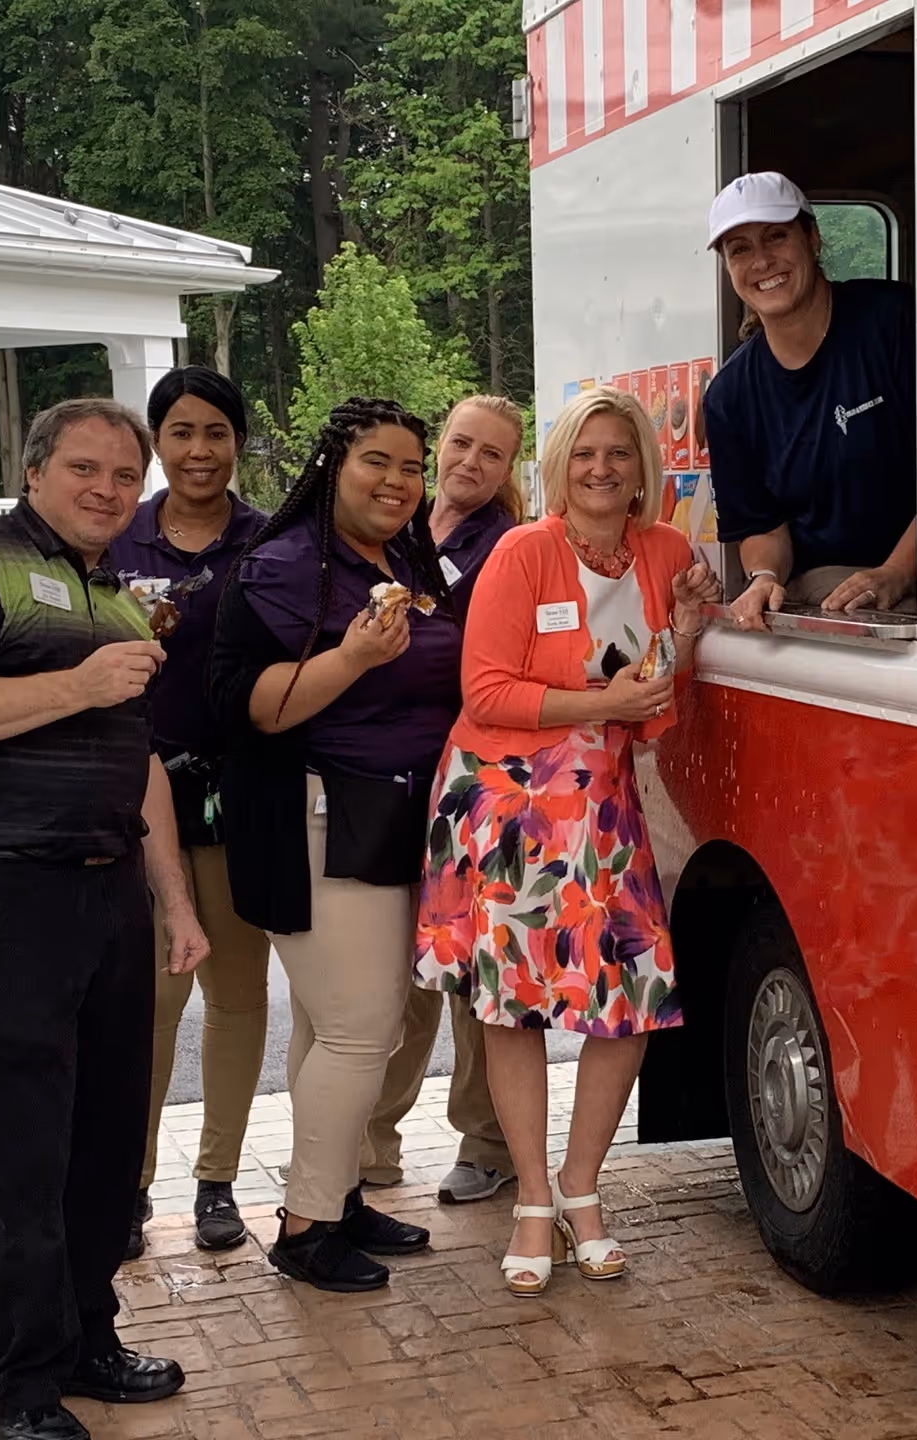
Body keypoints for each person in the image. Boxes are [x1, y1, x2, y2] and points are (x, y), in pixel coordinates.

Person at [0, 398, 211, 1440]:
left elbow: (139, 760)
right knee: (27, 1146)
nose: (109, 491)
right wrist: (76, 686)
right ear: (35, 471)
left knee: (107, 1142)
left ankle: (86, 1340)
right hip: (0, 891)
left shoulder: (117, 592)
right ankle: (16, 1389)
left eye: (126, 476)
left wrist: (174, 898)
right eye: (87, 470)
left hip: (108, 887)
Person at [413, 388, 721, 1296]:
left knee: (625, 1005)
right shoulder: (523, 550)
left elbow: (659, 704)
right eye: (583, 452)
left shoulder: (665, 551)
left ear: (641, 467)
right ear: (557, 464)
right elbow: (485, 693)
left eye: (618, 453)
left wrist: (691, 627)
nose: (600, 469)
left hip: (605, 805)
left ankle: (585, 1189)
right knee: (514, 1006)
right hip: (507, 803)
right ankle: (536, 1201)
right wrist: (604, 706)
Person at [207, 397, 456, 1293]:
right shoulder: (280, 568)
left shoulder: (408, 559)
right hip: (316, 822)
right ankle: (307, 1226)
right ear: (331, 467)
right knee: (360, 1029)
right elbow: (251, 710)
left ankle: (338, 1194)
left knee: (335, 1027)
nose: (397, 482)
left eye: (411, 467)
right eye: (376, 463)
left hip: (393, 818)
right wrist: (351, 659)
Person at [108, 367, 269, 1260]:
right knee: (152, 1000)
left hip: (241, 792)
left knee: (239, 996)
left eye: (215, 431)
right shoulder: (118, 535)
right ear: (157, 442)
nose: (199, 450)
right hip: (142, 794)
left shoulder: (271, 539)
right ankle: (129, 1186)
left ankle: (218, 1181)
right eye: (180, 433)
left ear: (237, 440)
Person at [362, 394, 524, 1205]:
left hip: (470, 781)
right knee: (396, 967)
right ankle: (371, 1145)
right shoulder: (395, 524)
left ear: (508, 470)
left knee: (468, 969)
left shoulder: (507, 548)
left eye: (491, 454)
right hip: (389, 776)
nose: (470, 462)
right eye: (461, 444)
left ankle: (487, 1143)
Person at [700, 172, 917, 630]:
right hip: (831, 588)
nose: (761, 261)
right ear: (727, 267)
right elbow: (762, 526)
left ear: (813, 238)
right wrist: (763, 577)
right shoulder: (728, 397)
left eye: (775, 236)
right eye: (739, 249)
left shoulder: (898, 321)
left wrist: (897, 571)